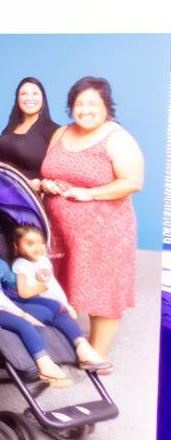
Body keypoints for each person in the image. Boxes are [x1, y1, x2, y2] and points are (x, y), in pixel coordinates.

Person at [39, 76, 143, 360]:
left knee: (102, 288)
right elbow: (50, 170)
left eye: (92, 103)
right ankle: (74, 340)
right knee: (62, 284)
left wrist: (90, 194)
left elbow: (132, 181)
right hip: (59, 228)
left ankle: (98, 353)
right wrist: (46, 184)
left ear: (106, 106)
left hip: (104, 229)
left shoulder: (117, 137)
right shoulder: (61, 133)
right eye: (78, 103)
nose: (85, 109)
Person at [0, 219, 108, 384]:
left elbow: (12, 283)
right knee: (23, 324)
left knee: (56, 307)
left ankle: (82, 346)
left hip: (5, 300)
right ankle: (44, 363)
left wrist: (32, 278)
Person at [0, 77, 58, 181]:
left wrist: (41, 184)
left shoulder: (53, 130)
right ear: (17, 99)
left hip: (27, 193)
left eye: (35, 94)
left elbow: (56, 170)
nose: (29, 98)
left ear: (43, 99)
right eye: (24, 94)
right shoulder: (12, 126)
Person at [11, 224, 72, 313]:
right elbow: (23, 292)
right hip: (43, 304)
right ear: (17, 246)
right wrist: (44, 286)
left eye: (41, 243)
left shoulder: (44, 260)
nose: (37, 247)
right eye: (30, 244)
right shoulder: (21, 264)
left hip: (60, 303)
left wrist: (67, 305)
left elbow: (53, 283)